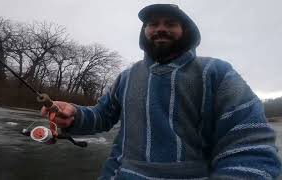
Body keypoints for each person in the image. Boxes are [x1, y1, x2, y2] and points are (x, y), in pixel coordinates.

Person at [42, 4, 281, 179]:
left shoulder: (217, 72)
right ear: (144, 31)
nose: (160, 29)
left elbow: (251, 147)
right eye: (153, 24)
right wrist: (74, 114)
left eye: (170, 24)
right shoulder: (127, 76)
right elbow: (102, 116)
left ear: (185, 30)